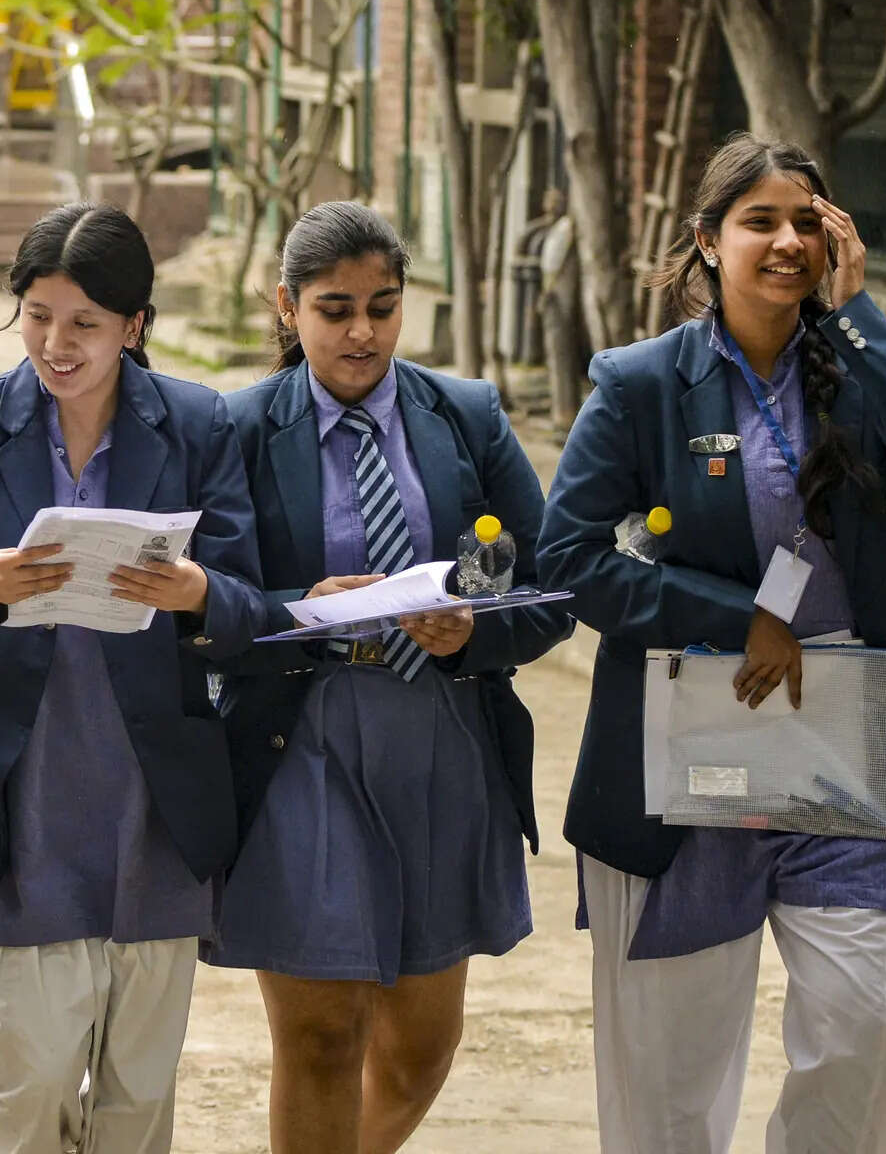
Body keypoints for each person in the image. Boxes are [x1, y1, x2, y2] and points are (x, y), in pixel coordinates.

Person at [538, 135, 886, 1154]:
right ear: (706, 241)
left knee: (862, 1012)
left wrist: (864, 312)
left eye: (805, 223)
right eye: (758, 221)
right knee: (667, 1073)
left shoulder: (856, 370)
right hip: (698, 731)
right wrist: (729, 614)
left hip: (843, 734)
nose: (785, 241)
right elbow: (566, 554)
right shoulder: (642, 383)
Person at [0, 203, 260, 1154]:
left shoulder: (201, 422)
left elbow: (256, 606)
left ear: (135, 324)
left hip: (156, 800)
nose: (56, 343)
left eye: (85, 322)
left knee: (137, 1099)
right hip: (22, 792)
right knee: (30, 1086)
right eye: (38, 314)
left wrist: (197, 591)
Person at [208, 201, 571, 1154]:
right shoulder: (236, 428)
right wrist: (299, 605)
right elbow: (197, 605)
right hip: (304, 740)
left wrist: (468, 635)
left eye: (383, 305)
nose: (362, 332)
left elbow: (549, 584)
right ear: (287, 309)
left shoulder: (466, 414)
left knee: (418, 1046)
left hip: (438, 732)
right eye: (335, 309)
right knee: (323, 1035)